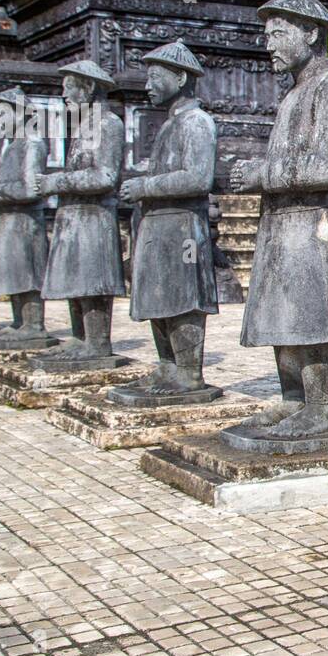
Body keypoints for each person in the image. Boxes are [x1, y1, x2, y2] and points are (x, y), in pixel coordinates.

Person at [229, 0, 328, 438]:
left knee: (313, 313)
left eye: (279, 32)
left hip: (313, 223)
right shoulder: (292, 97)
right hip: (282, 223)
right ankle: (293, 400)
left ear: (310, 32)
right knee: (284, 313)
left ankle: (322, 406)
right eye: (266, 33)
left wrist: (263, 174)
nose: (269, 42)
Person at [109, 41, 218, 402]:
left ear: (181, 77)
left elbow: (198, 178)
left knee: (183, 297)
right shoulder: (171, 124)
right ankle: (168, 365)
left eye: (156, 76)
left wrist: (145, 186)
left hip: (184, 226)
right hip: (158, 225)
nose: (147, 85)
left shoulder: (197, 122)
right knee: (158, 294)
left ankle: (188, 372)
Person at [32, 60, 127, 364]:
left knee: (92, 281)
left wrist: (56, 181)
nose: (65, 96)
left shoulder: (108, 124)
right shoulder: (84, 128)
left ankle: (97, 342)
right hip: (75, 215)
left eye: (70, 89)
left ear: (89, 88)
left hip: (94, 217)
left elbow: (105, 177)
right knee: (75, 279)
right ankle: (80, 337)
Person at [0, 87, 52, 346]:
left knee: (26, 274)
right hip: (9, 220)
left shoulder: (33, 141)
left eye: (0, 116)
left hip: (24, 222)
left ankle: (33, 325)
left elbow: (31, 188)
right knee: (13, 273)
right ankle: (20, 323)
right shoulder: (12, 145)